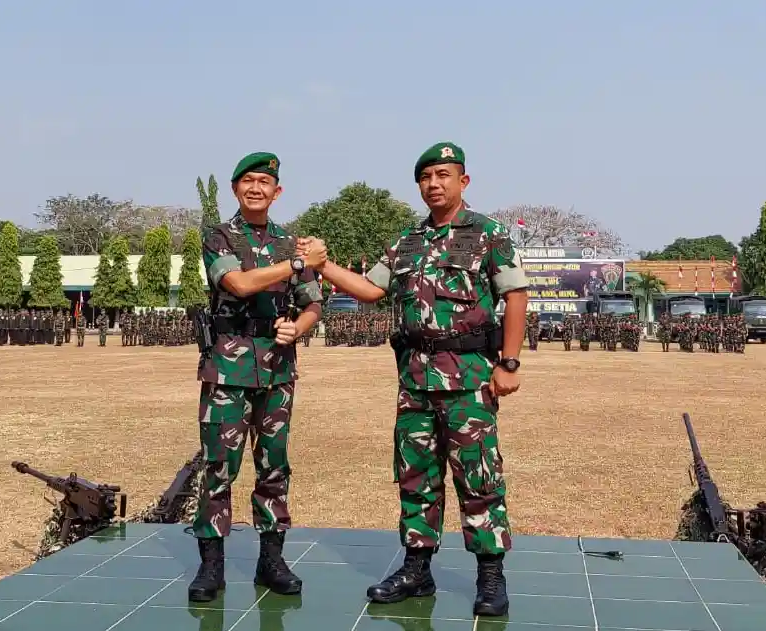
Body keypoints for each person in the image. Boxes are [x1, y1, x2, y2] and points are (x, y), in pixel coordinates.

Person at [304, 142, 527, 617]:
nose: (434, 184)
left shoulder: (488, 234)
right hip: (415, 381)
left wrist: (508, 364)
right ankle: (416, 569)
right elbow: (371, 289)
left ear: (463, 181)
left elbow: (515, 295)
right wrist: (323, 267)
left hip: (470, 380)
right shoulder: (405, 242)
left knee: (478, 476)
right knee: (416, 476)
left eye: (443, 175)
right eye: (426, 177)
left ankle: (490, 575)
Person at [187, 152, 327, 603]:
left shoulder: (291, 242)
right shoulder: (220, 237)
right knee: (218, 467)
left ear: (277, 191)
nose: (255, 188)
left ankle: (272, 560)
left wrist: (299, 327)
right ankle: (212, 564)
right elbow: (240, 285)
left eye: (264, 182)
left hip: (277, 370)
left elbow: (312, 304)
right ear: (235, 190)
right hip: (228, 369)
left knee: (274, 467)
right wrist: (298, 265)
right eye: (247, 181)